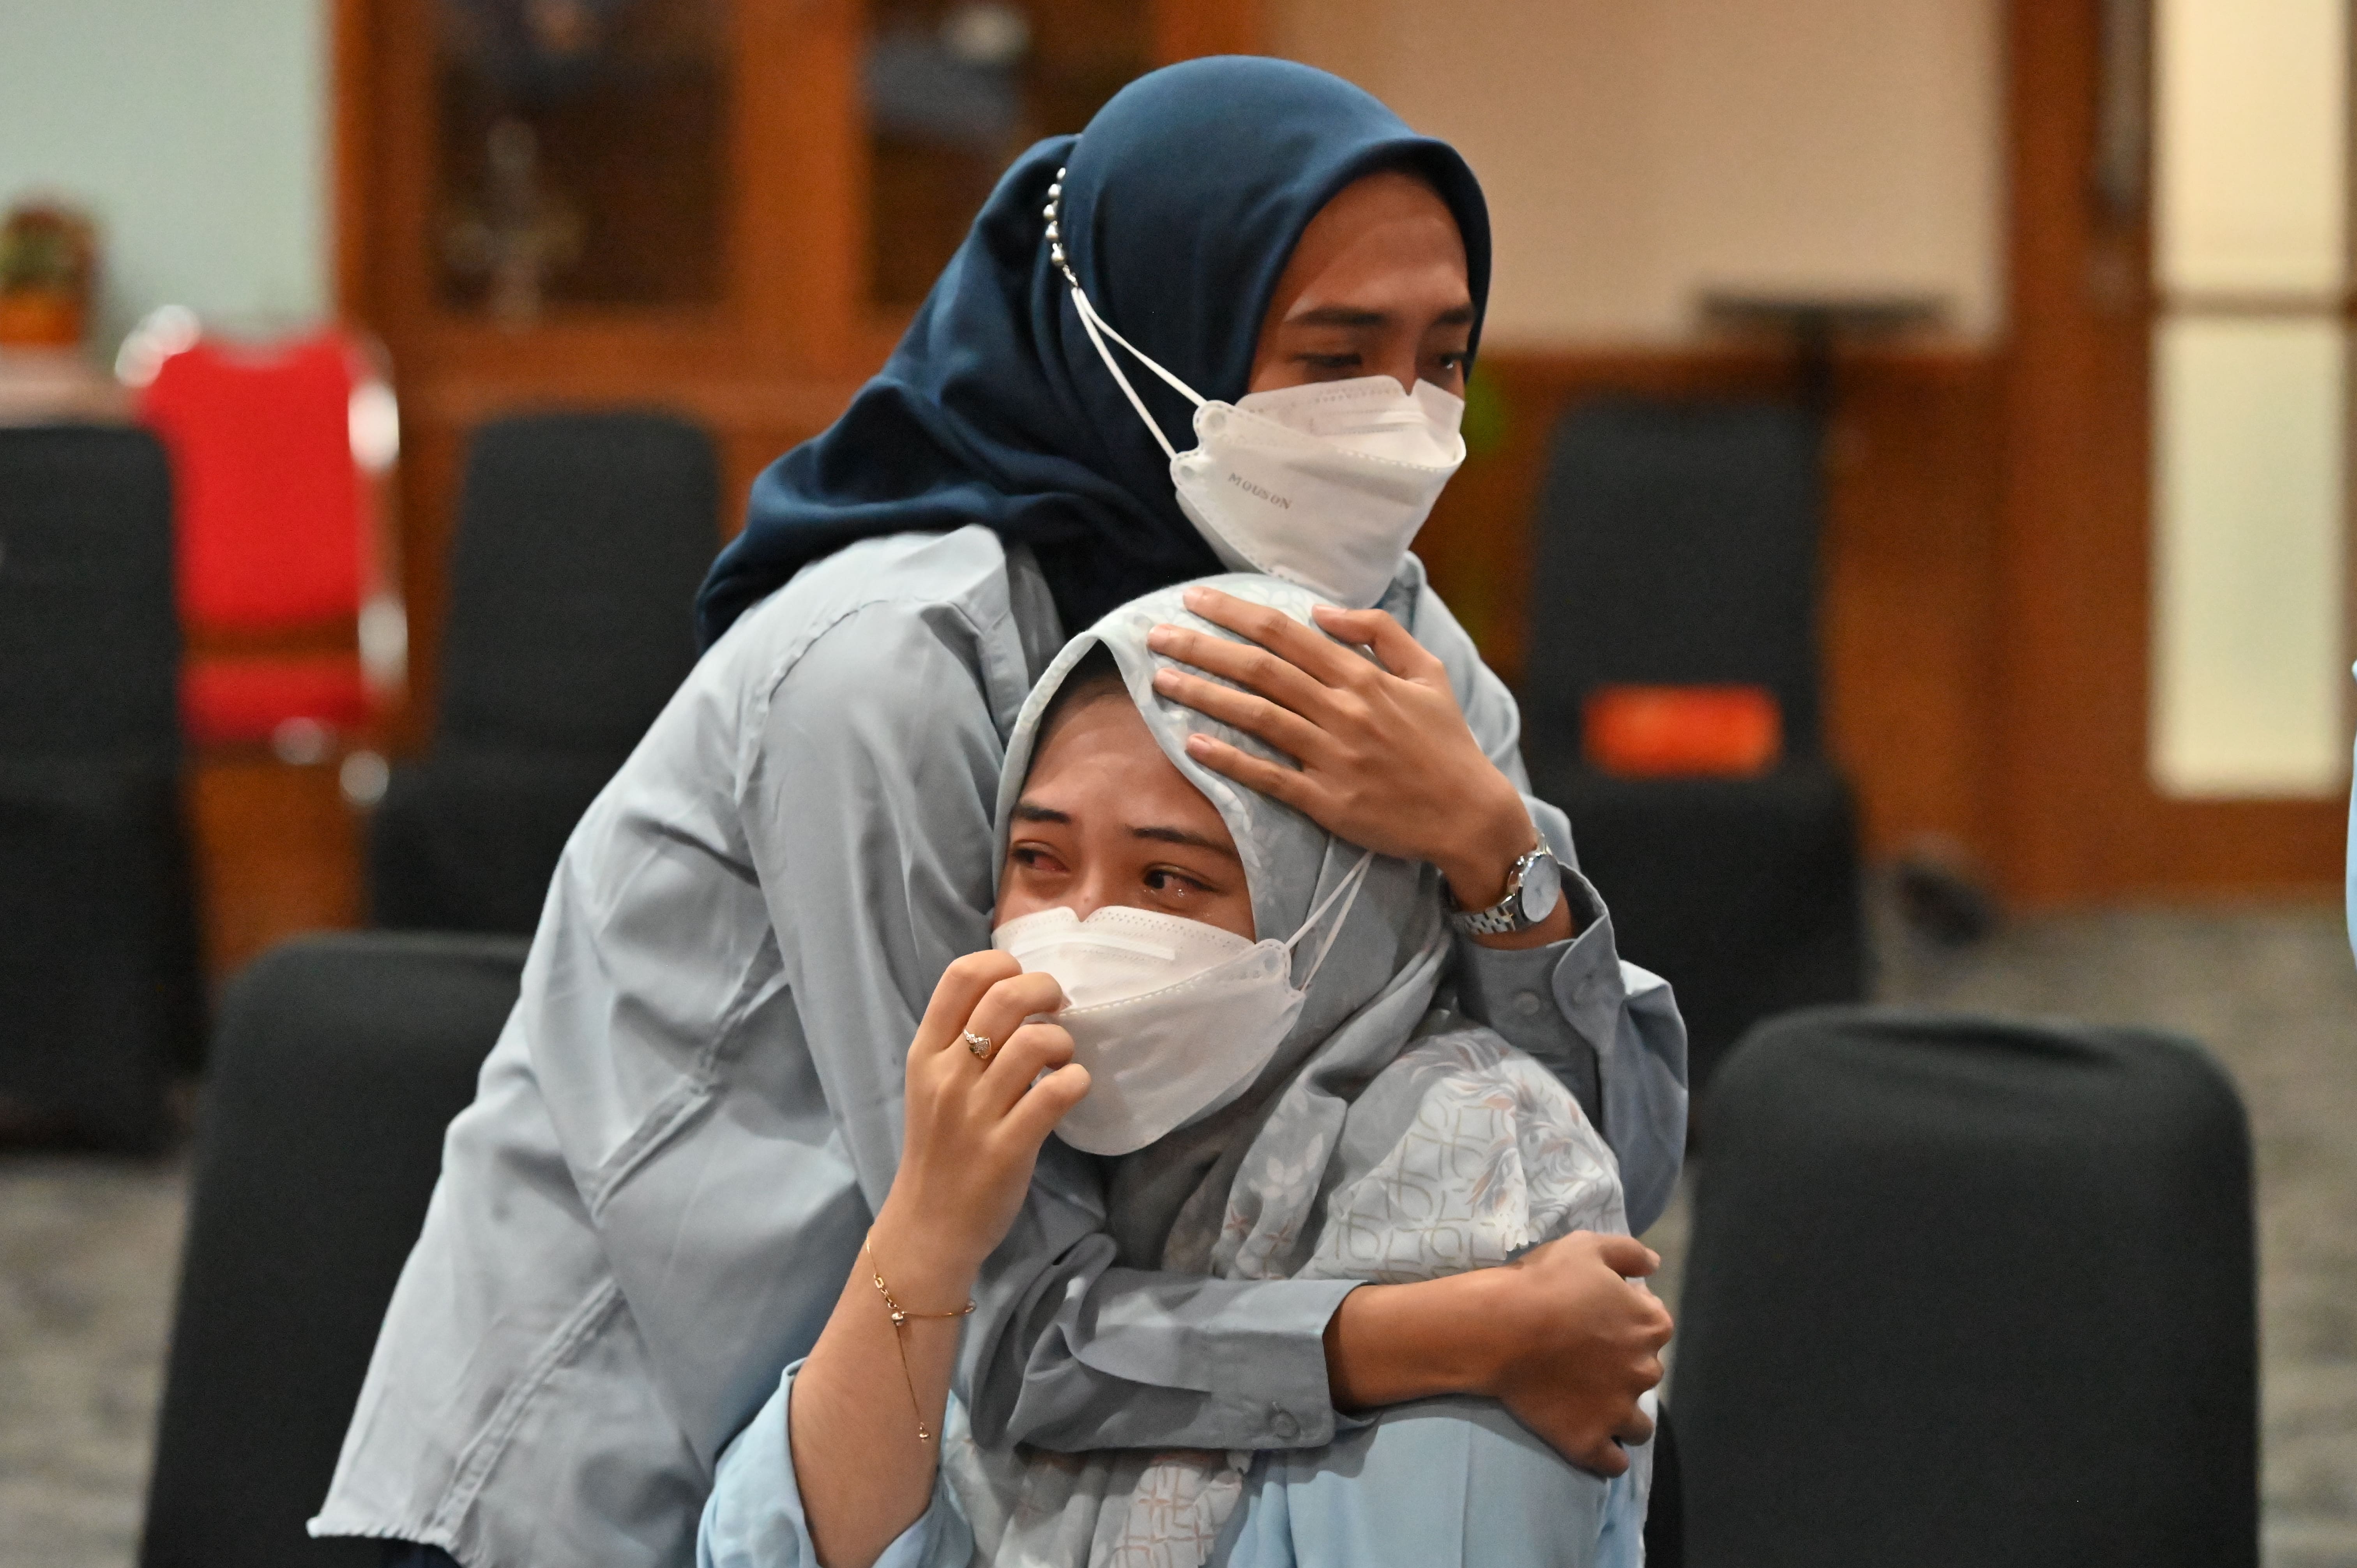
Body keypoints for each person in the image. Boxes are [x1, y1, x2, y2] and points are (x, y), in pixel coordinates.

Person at [316, 58, 1685, 1568]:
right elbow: (1008, 1313)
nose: (1402, 420)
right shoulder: (888, 672)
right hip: (644, 1464)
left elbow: (1593, 1177)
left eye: (1442, 359)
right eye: (1334, 356)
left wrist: (1491, 848)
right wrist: (1451, 1330)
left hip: (1036, 1456)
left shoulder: (1390, 645)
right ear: (1146, 333)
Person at [700, 577, 1657, 1568]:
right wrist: (924, 1231)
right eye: (1039, 858)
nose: (1083, 927)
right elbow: (789, 1548)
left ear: (1334, 904)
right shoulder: (1029, 1162)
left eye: (1167, 877)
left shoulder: (1472, 1174)